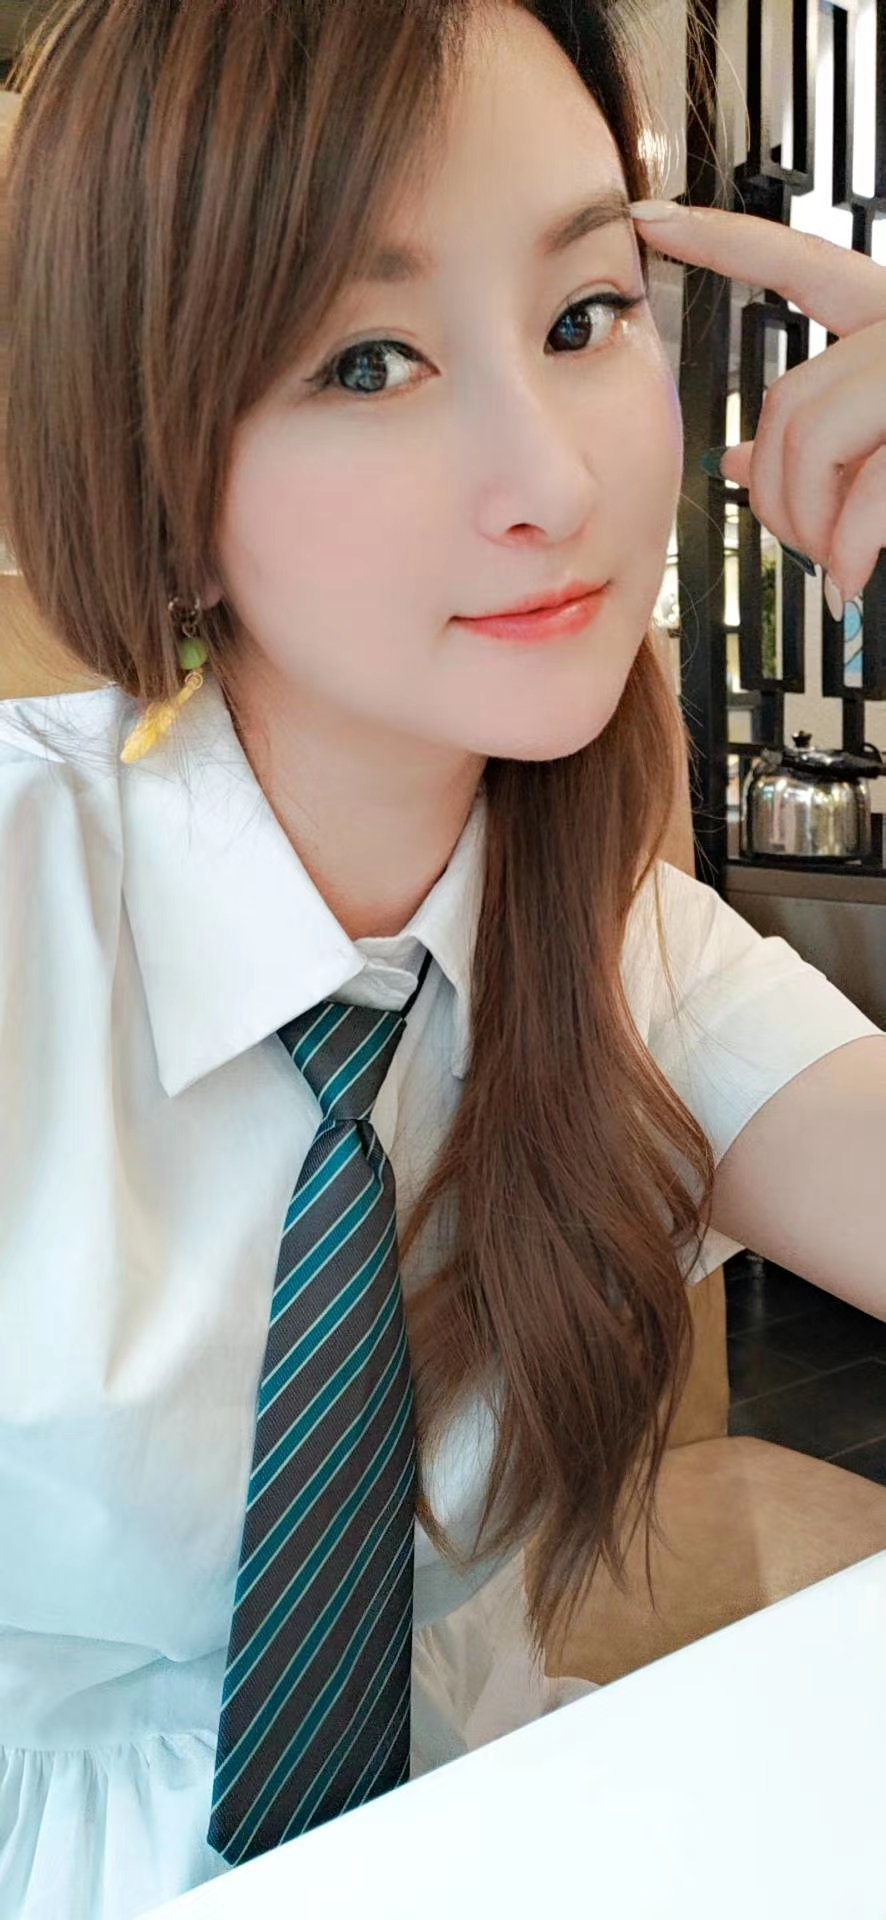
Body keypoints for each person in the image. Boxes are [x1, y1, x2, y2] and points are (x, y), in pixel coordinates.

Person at [0, 0, 884, 1914]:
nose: (551, 478)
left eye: (581, 317)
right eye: (368, 359)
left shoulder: (629, 963)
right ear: (150, 455)